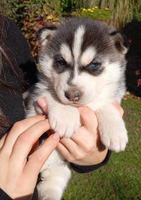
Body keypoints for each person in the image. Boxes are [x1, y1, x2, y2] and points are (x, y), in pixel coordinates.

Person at [0, 15, 124, 200]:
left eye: (94, 65)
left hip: (53, 169)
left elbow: (28, 87)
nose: (73, 85)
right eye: (60, 63)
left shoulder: (6, 32)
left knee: (57, 179)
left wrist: (95, 155)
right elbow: (37, 95)